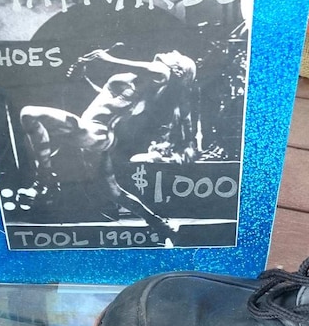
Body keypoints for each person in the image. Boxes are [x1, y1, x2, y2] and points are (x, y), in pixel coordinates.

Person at [17, 45, 197, 244]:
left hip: (95, 131)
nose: (170, 52)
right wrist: (83, 77)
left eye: (175, 56)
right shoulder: (138, 84)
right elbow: (106, 98)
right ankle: (159, 223)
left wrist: (106, 58)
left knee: (29, 114)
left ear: (176, 69)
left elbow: (153, 70)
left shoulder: (161, 74)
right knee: (112, 191)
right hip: (100, 136)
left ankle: (43, 179)